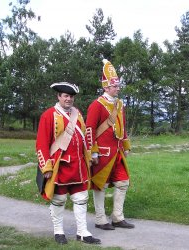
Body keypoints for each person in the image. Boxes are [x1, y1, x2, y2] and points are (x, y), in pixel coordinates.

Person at [35, 82, 101, 245]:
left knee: (81, 198)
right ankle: (58, 231)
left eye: (71, 96)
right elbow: (41, 143)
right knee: (59, 200)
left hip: (78, 166)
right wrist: (46, 167)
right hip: (60, 166)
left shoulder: (77, 114)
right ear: (58, 96)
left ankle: (82, 232)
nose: (69, 99)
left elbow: (85, 135)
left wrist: (91, 152)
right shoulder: (49, 115)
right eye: (65, 96)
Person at [86, 59, 135, 230]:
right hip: (103, 153)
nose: (118, 88)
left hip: (118, 152)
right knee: (101, 185)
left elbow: (122, 127)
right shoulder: (96, 105)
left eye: (118, 86)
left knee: (123, 183)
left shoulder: (119, 104)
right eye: (115, 86)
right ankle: (100, 219)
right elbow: (90, 129)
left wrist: (126, 145)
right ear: (106, 87)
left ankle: (117, 217)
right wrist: (93, 151)